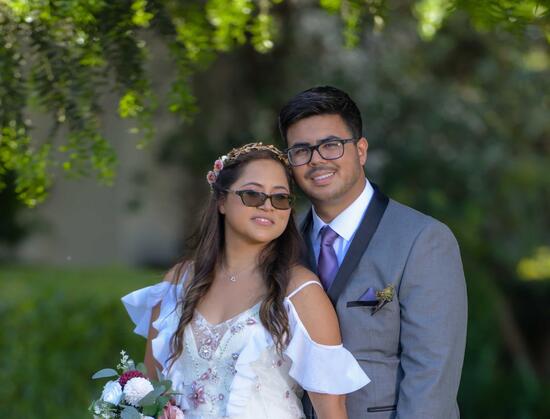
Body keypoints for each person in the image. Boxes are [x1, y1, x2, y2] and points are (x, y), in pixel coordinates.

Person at [122, 143, 370, 419]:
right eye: (252, 194)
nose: (267, 206)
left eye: (280, 198)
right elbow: (152, 394)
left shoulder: (300, 291)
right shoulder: (179, 282)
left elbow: (331, 412)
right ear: (222, 201)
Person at [278, 86, 468, 419]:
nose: (316, 159)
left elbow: (431, 381)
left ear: (361, 150)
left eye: (331, 145)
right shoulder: (280, 240)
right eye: (301, 150)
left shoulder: (423, 240)